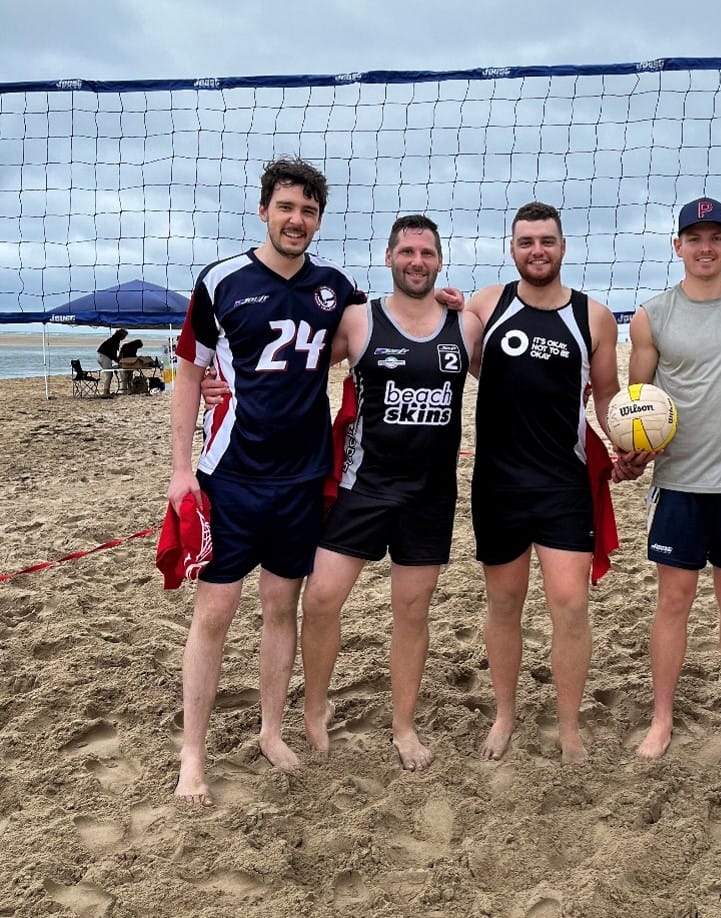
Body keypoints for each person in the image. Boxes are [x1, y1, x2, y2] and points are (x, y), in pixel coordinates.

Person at [167, 157, 366, 807]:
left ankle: (271, 731)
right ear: (263, 211)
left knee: (281, 606)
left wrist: (443, 305)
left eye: (308, 210)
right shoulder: (221, 280)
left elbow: (374, 335)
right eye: (286, 207)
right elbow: (189, 374)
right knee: (215, 612)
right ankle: (192, 756)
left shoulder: (336, 286)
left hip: (302, 479)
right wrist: (179, 470)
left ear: (319, 219)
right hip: (231, 476)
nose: (296, 219)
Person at [300, 215, 482, 771]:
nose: (416, 262)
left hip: (430, 494)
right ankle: (315, 708)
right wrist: (217, 381)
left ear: (440, 260)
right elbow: (290, 366)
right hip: (364, 486)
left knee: (411, 610)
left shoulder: (466, 324)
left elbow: (513, 380)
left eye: (426, 253)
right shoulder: (359, 319)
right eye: (407, 252)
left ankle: (403, 727)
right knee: (321, 599)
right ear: (388, 257)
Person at [464, 201, 621, 764]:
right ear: (512, 248)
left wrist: (625, 441)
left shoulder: (593, 317)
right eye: (526, 241)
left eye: (546, 241)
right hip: (498, 484)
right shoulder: (488, 303)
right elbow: (457, 356)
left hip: (563, 482)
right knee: (504, 603)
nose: (537, 251)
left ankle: (569, 727)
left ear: (563, 247)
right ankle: (505, 714)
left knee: (570, 605)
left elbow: (606, 395)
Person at [623, 197, 721, 761]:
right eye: (694, 237)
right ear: (678, 245)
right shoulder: (652, 315)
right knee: (673, 601)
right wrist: (633, 455)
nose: (705, 247)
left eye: (715, 237)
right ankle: (661, 719)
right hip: (680, 482)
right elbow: (637, 405)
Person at [96, 327, 127, 396]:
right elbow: (113, 355)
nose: (124, 338)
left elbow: (113, 355)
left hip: (101, 356)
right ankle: (105, 392)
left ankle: (107, 391)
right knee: (109, 374)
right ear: (121, 335)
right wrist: (119, 362)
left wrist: (118, 361)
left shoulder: (114, 339)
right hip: (104, 356)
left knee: (109, 374)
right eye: (124, 336)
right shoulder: (114, 341)